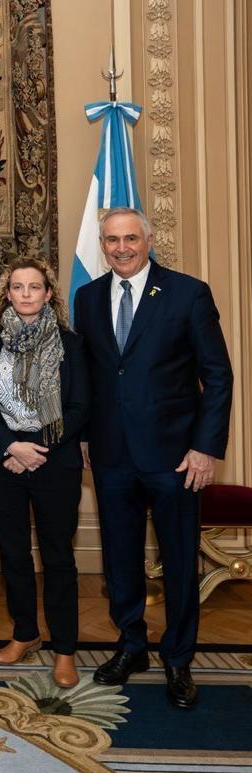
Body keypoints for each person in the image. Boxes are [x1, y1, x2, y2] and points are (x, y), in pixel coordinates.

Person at [74, 207, 233, 710]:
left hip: (176, 457)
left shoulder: (188, 293)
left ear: (148, 240)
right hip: (111, 454)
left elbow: (218, 376)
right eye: (112, 240)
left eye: (131, 238)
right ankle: (131, 646)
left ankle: (179, 657)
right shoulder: (89, 297)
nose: (121, 248)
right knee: (120, 560)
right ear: (102, 244)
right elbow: (91, 376)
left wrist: (206, 447)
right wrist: (83, 436)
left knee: (180, 559)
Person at [0, 259, 88, 688]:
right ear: (7, 294)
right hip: (2, 461)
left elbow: (79, 407)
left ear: (48, 294)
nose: (24, 294)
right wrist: (11, 446)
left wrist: (37, 448)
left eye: (33, 287)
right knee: (15, 553)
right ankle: (25, 632)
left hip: (54, 462)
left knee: (58, 557)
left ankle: (64, 650)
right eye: (17, 287)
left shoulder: (70, 344)